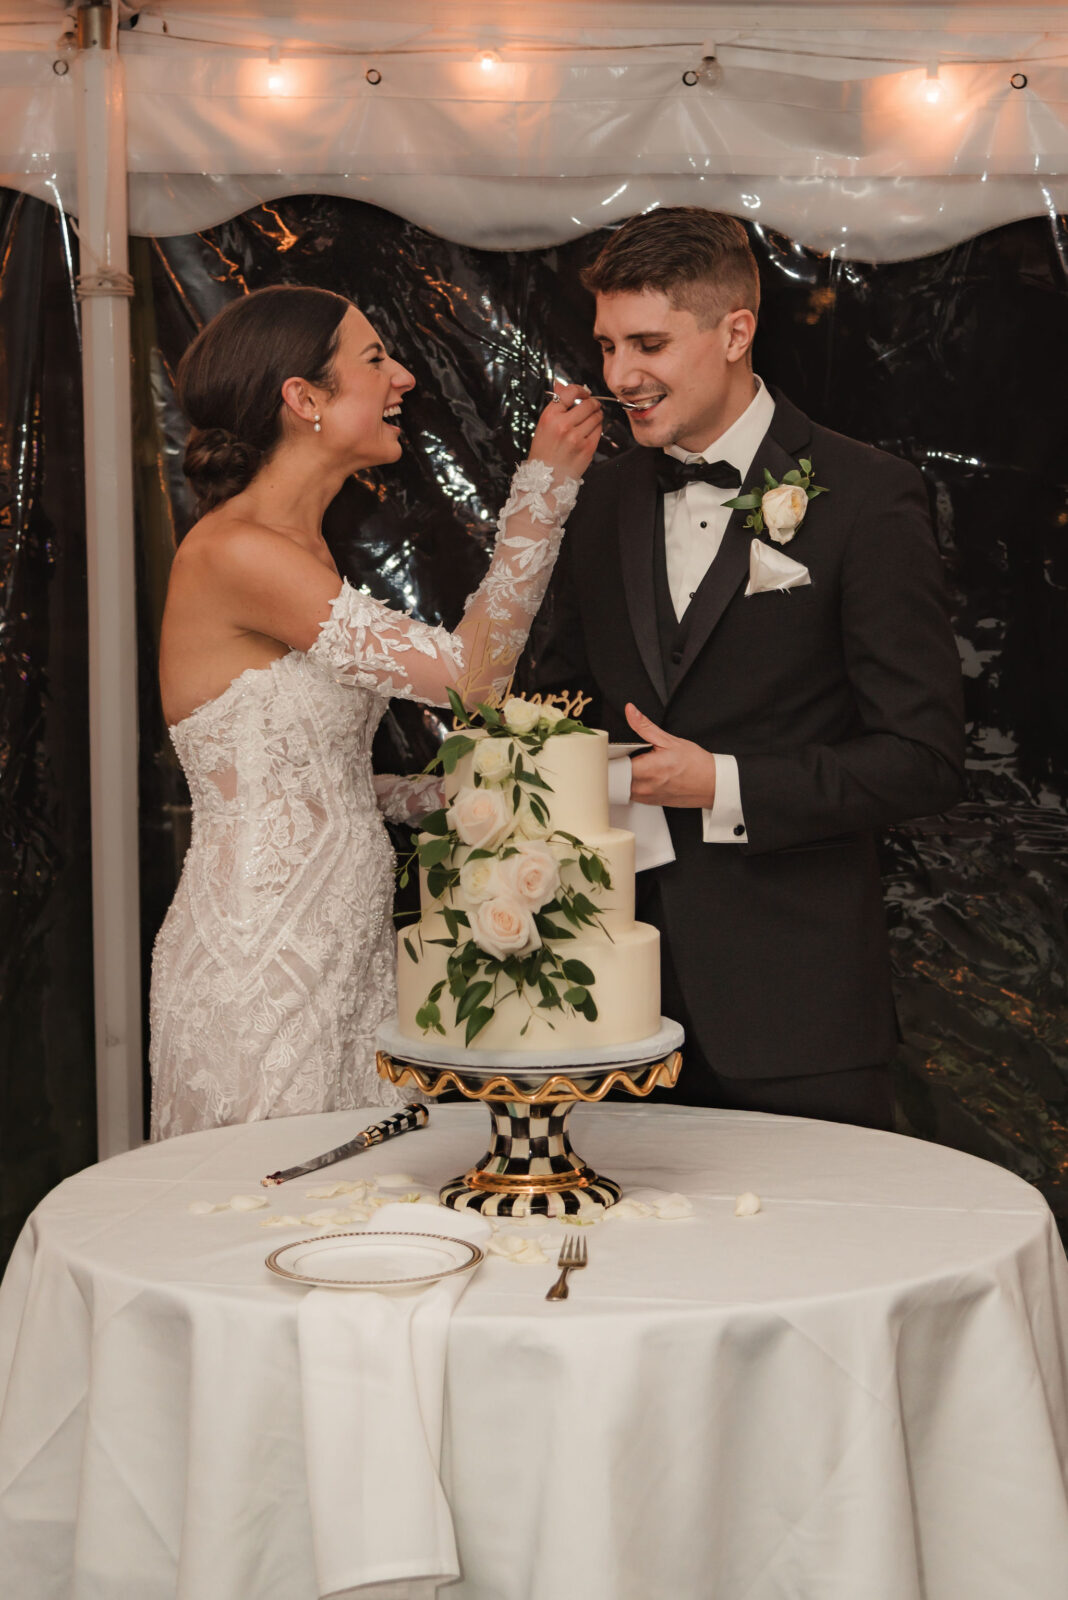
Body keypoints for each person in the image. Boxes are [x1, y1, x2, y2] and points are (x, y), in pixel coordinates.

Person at [530, 208, 964, 1129]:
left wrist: (721, 782)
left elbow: (922, 758)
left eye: (648, 344)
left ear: (735, 331)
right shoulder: (602, 498)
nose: (619, 378)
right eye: (606, 346)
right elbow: (557, 700)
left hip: (798, 1017)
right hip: (611, 1011)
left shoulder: (867, 496)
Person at [149, 285, 600, 1139]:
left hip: (350, 952)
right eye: (373, 359)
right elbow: (471, 680)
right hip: (264, 954)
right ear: (303, 400)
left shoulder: (303, 549)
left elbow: (312, 781)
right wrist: (545, 489)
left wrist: (446, 800)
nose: (403, 377)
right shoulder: (240, 552)